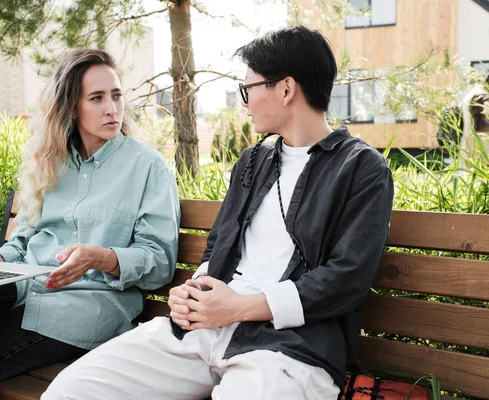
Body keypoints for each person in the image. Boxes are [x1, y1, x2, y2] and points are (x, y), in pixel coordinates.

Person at [42, 26, 394, 400]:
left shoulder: (361, 169)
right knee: (70, 392)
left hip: (287, 349)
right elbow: (218, 248)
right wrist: (193, 292)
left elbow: (346, 279)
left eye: (249, 89)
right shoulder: (254, 160)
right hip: (202, 332)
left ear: (286, 89)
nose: (244, 102)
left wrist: (240, 307)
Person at [0, 49, 180, 400]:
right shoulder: (50, 162)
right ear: (70, 107)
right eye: (96, 98)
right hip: (25, 288)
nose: (111, 108)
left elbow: (158, 262)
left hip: (84, 307)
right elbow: (21, 242)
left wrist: (99, 257)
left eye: (116, 95)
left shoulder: (147, 167)